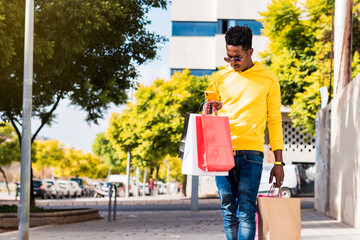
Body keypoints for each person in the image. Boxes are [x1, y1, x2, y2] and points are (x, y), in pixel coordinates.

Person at [204, 25, 285, 240]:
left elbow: (275, 120)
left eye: (237, 58)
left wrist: (278, 163)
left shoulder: (268, 78)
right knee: (228, 211)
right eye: (228, 57)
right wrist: (208, 111)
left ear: (250, 51)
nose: (232, 62)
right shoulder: (218, 79)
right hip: (221, 152)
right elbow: (209, 120)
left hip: (251, 153)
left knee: (246, 211)